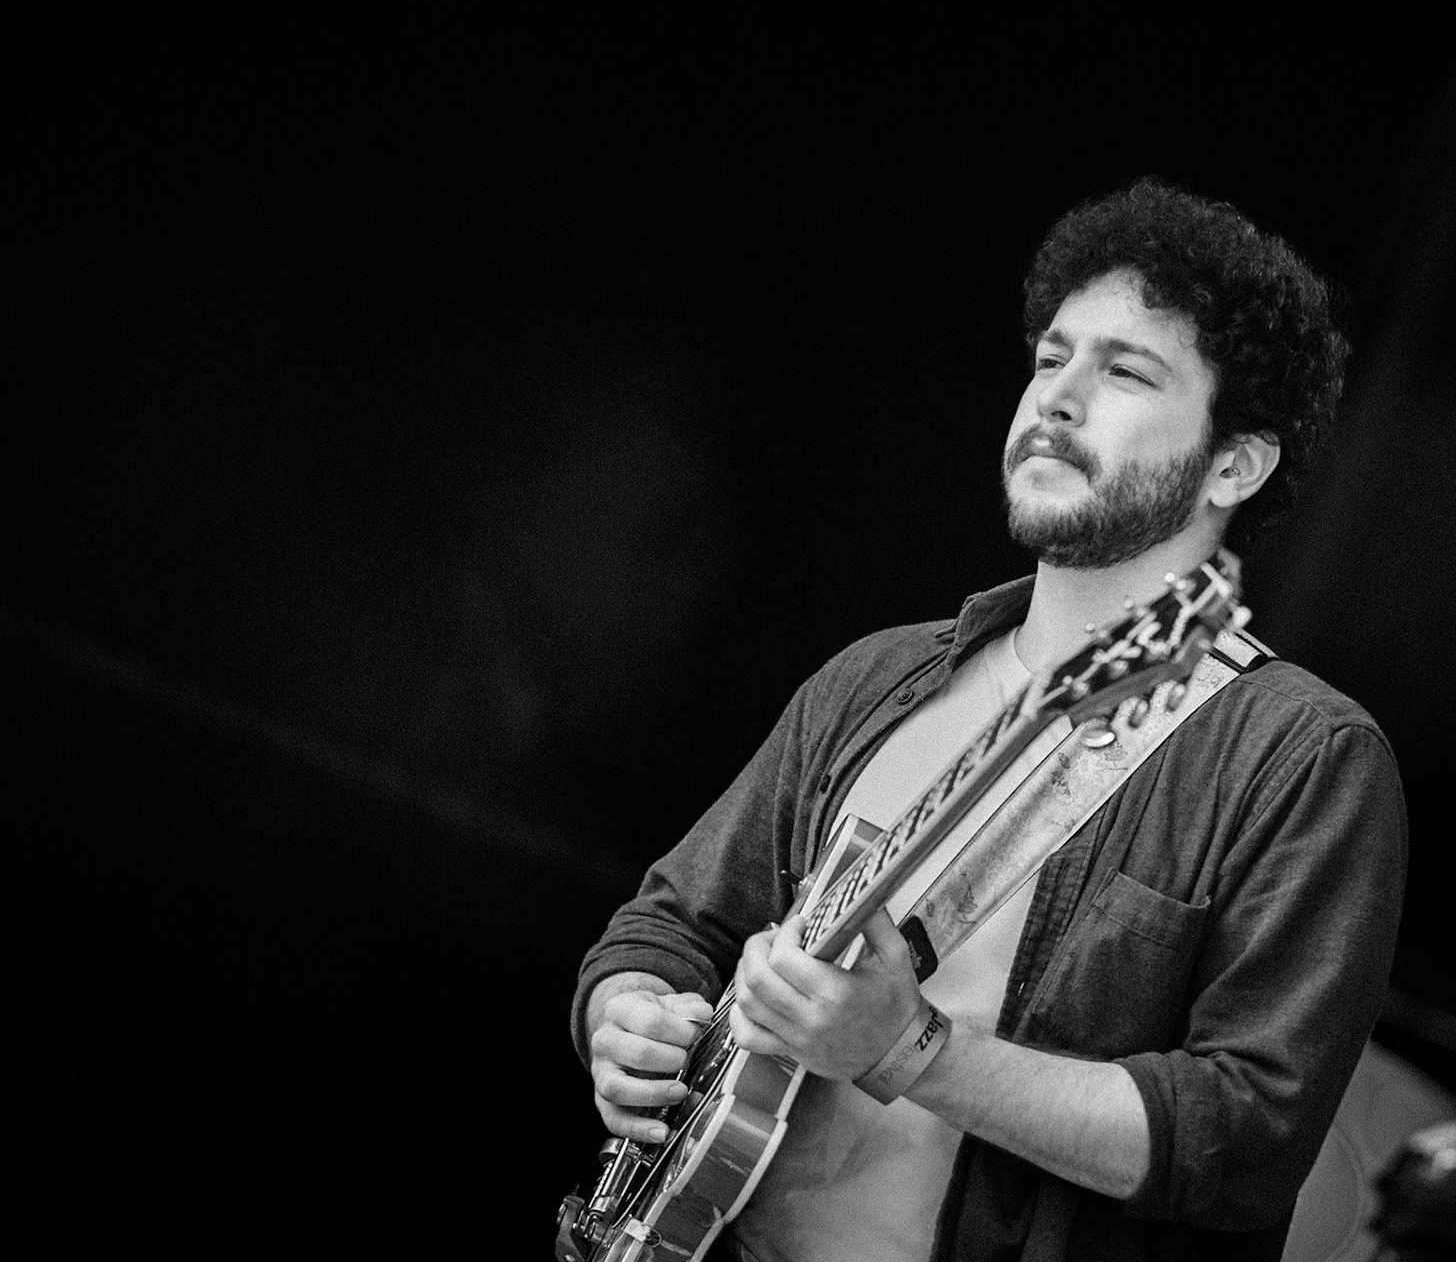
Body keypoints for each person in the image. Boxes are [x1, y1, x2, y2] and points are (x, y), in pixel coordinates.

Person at [568, 178, 1409, 1262]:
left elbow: (1239, 1140)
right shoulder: (875, 676)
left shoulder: (1304, 758)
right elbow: (671, 924)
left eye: (1126, 371)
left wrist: (910, 1046)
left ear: (1234, 463)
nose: (1057, 397)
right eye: (1053, 357)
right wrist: (627, 1015)